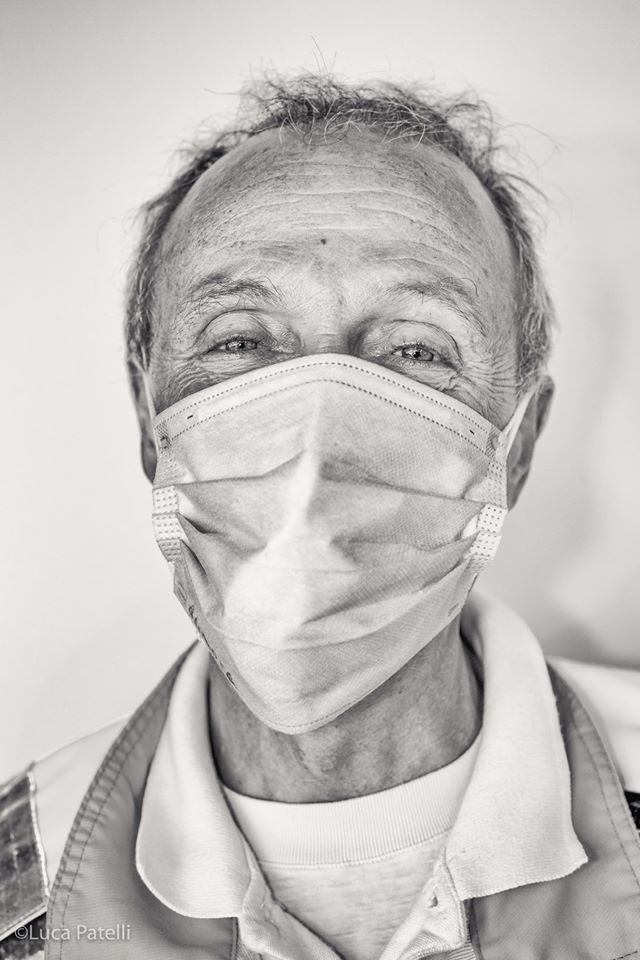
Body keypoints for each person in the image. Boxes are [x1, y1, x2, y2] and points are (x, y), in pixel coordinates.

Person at [2, 75, 640, 960]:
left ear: (518, 446)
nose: (318, 432)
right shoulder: (26, 879)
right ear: (152, 426)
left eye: (415, 348)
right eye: (239, 341)